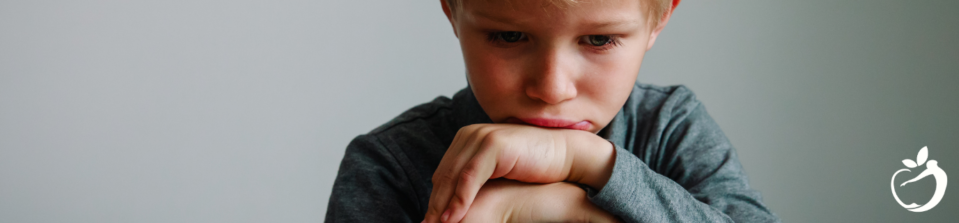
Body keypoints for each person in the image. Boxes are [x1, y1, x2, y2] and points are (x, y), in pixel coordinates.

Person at [325, 0, 779, 222]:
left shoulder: (668, 126)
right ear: (452, 10)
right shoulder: (390, 164)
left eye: (598, 40)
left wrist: (579, 175)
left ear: (658, 20)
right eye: (508, 37)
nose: (552, 89)